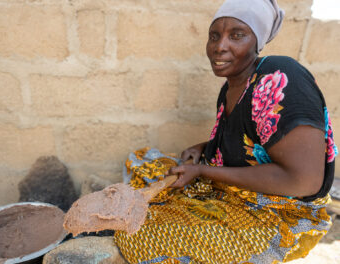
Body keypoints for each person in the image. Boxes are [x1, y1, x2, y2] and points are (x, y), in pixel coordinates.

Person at [114, 0, 338, 263]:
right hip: (236, 191)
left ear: (258, 41)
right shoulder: (232, 86)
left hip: (279, 214)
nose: (219, 46)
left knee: (141, 237)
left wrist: (202, 171)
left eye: (237, 35)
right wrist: (204, 148)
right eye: (214, 36)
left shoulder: (280, 77)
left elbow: (303, 181)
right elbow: (251, 143)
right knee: (144, 161)